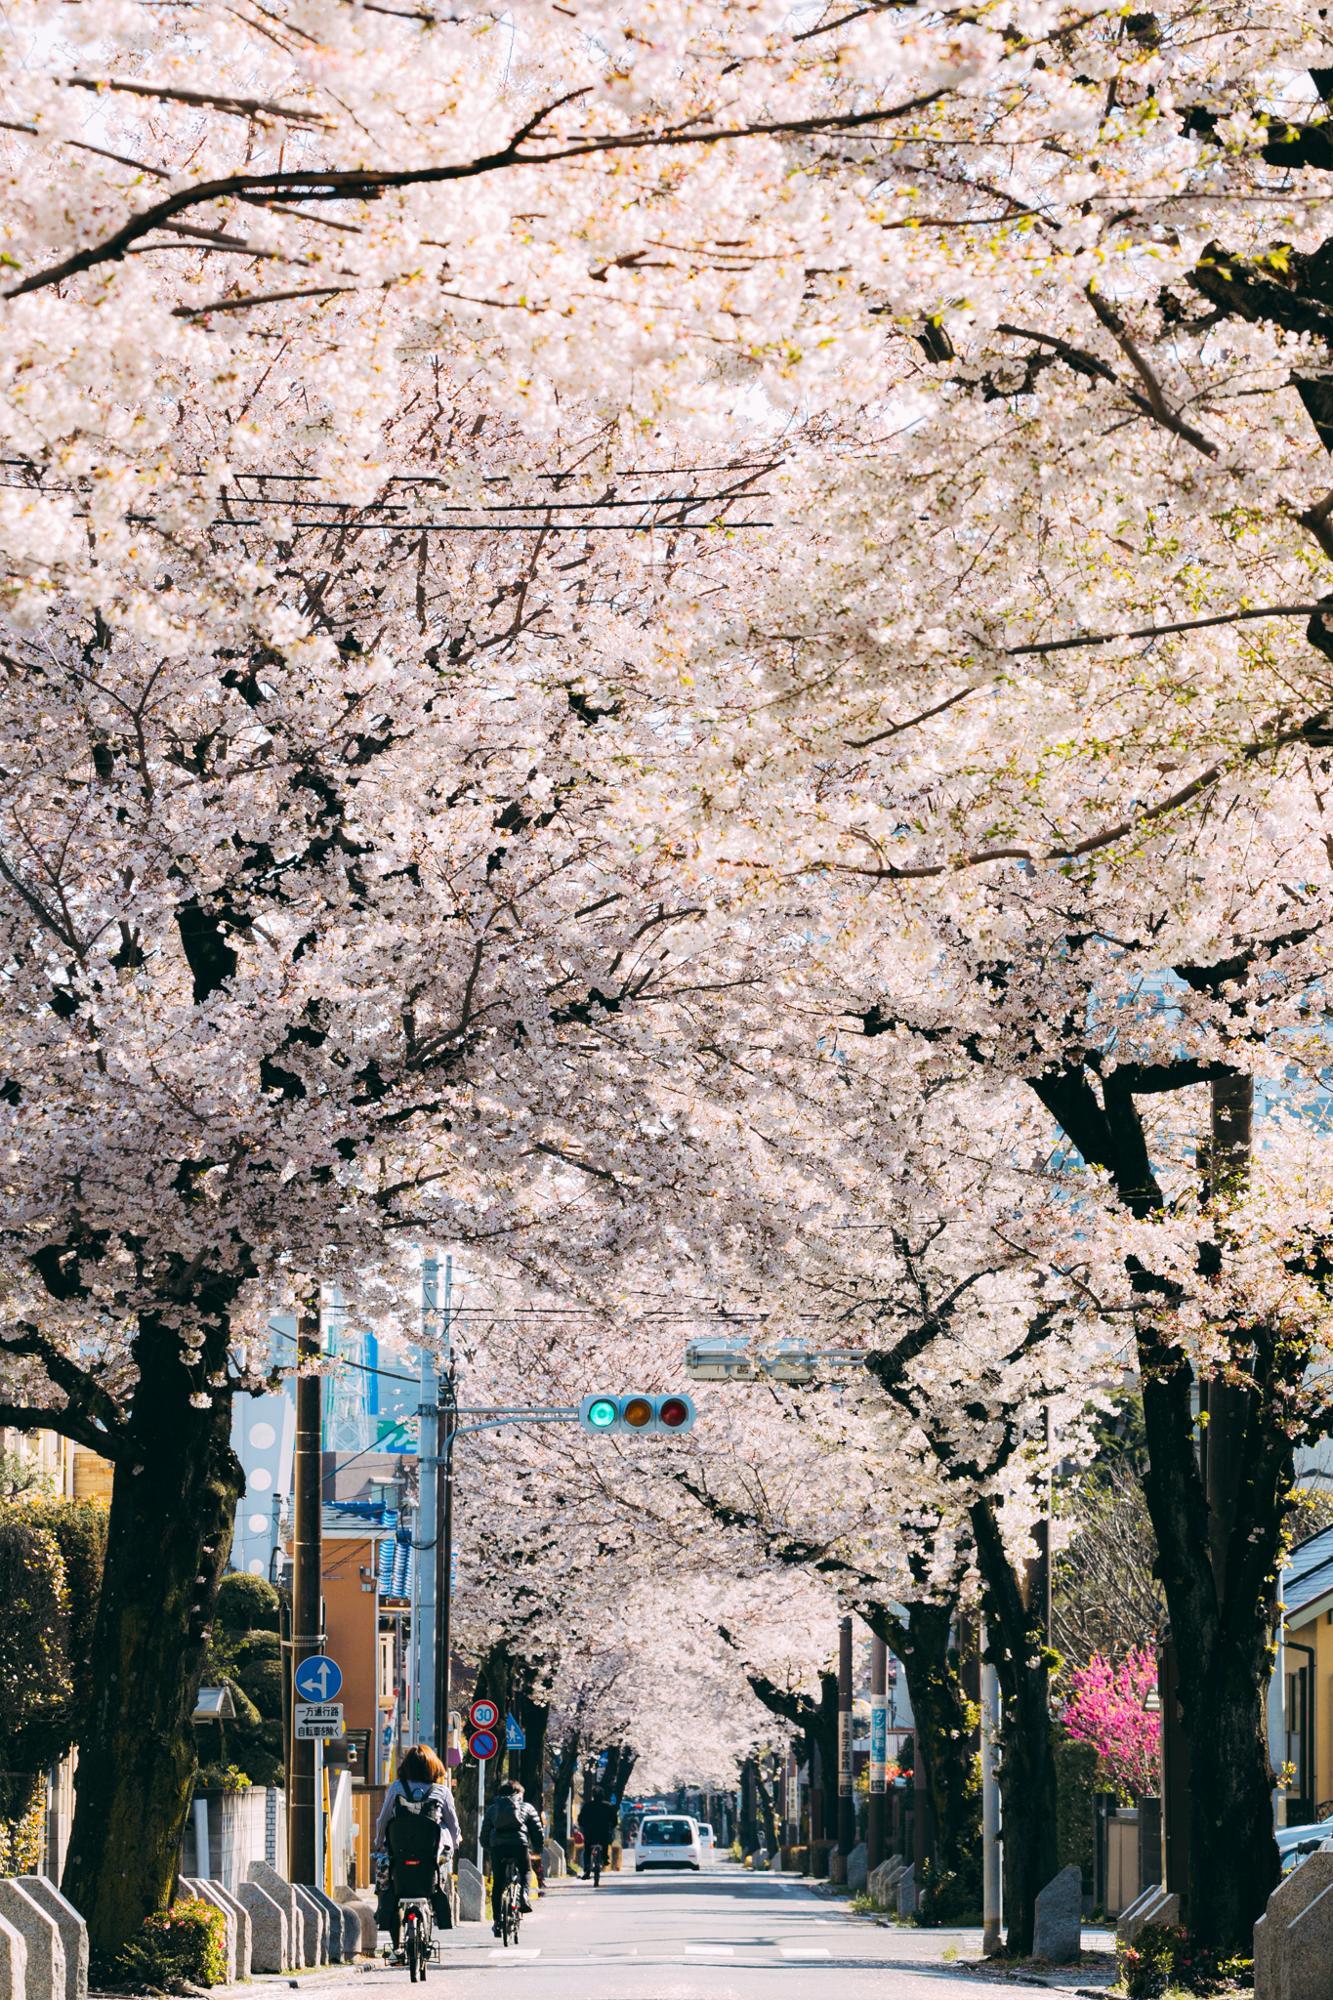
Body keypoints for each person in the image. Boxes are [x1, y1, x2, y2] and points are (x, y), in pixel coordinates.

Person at [373, 1743, 461, 1951]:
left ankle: (396, 1947)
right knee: (437, 1883)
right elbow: (453, 1825)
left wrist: (378, 1844)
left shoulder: (396, 1788)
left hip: (399, 1853)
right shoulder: (442, 1791)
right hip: (430, 1855)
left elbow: (383, 1820)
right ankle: (438, 1914)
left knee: (390, 1889)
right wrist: (453, 1845)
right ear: (434, 1767)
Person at [480, 1779, 544, 1934]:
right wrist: (537, 1849)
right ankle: (523, 1895)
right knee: (526, 1872)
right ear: (519, 1793)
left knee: (498, 1884)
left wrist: (491, 1849)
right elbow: (537, 1831)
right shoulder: (526, 1807)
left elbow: (484, 1836)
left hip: (498, 1848)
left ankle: (497, 1922)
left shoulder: (492, 1809)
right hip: (519, 1845)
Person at [576, 1788, 618, 1879]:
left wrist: (583, 1826)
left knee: (587, 1850)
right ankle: (605, 1858)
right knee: (605, 1842)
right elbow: (614, 1820)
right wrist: (611, 1827)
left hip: (590, 1833)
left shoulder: (587, 1806)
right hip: (604, 1832)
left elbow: (580, 1819)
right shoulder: (608, 1806)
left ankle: (587, 1868)